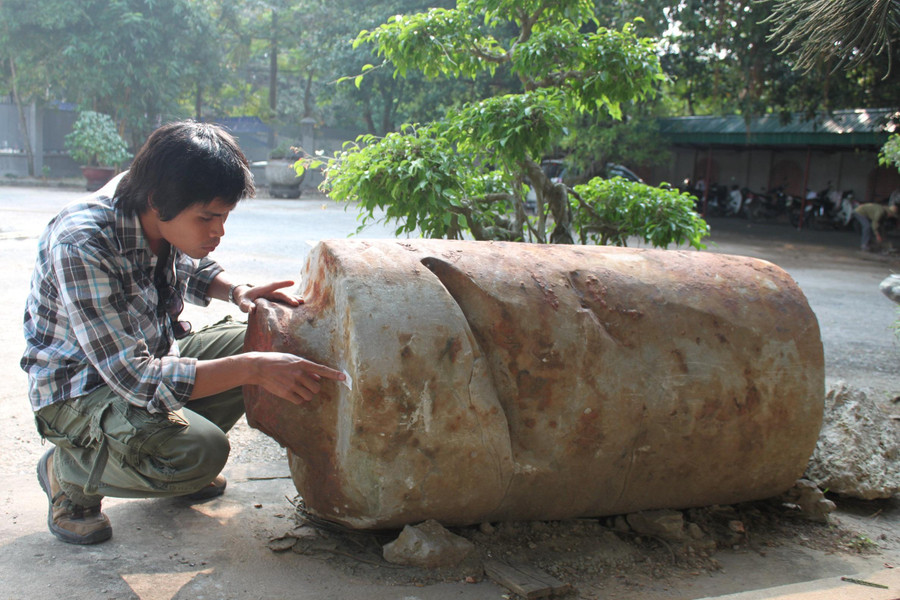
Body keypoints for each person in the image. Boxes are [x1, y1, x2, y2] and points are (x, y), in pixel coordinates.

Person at [21, 120, 345, 545]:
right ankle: (68, 472)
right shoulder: (82, 244)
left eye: (224, 217)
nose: (218, 232)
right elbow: (136, 379)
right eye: (207, 218)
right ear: (157, 201)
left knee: (262, 334)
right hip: (79, 391)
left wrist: (238, 291)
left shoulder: (155, 203)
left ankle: (155, 449)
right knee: (201, 452)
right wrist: (253, 369)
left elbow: (183, 263)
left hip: (146, 360)